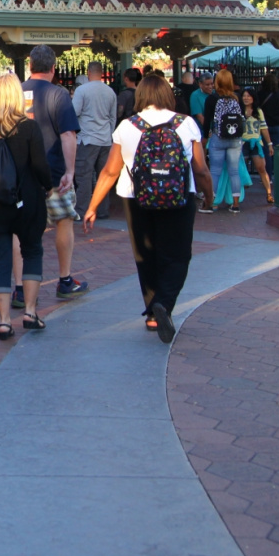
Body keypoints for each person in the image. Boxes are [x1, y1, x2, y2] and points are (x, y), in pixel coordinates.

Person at [82, 74, 213, 343]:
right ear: (167, 94)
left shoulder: (128, 126)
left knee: (146, 256)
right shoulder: (186, 124)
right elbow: (200, 169)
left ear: (140, 95)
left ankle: (153, 313)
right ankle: (164, 303)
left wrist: (92, 206)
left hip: (136, 199)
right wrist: (208, 196)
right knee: (177, 256)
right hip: (179, 198)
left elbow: (109, 171)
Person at [0, 72, 53, 339]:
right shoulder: (29, 127)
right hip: (26, 201)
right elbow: (40, 166)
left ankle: (4, 321)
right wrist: (48, 187)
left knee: (1, 258)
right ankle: (30, 312)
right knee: (32, 251)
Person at [23, 46, 87, 297]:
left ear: (30, 66)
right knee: (63, 220)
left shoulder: (13, 91)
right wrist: (70, 171)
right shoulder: (58, 94)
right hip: (53, 171)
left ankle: (20, 287)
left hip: (21, 173)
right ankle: (65, 279)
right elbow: (68, 134)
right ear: (53, 69)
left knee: (23, 230)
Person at [72, 62, 117, 220]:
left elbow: (74, 112)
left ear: (89, 72)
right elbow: (113, 117)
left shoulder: (81, 90)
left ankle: (81, 210)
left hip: (87, 139)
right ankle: (102, 210)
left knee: (83, 176)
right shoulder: (110, 92)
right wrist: (109, 136)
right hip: (105, 139)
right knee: (104, 175)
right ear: (102, 73)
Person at [205, 69, 247, 213]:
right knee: (234, 172)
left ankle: (211, 203)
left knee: (215, 171)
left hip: (218, 137)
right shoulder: (238, 98)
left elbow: (207, 121)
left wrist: (205, 136)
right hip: (235, 139)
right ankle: (236, 204)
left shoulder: (212, 98)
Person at [240, 88, 275, 203]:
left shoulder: (258, 111)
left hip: (256, 143)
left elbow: (264, 128)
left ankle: (269, 194)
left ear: (253, 98)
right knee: (240, 169)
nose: (246, 98)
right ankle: (238, 196)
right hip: (243, 143)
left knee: (261, 168)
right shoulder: (238, 110)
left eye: (248, 96)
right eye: (244, 96)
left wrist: (269, 144)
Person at [187, 72, 215, 136]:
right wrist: (208, 131)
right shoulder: (195, 95)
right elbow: (199, 116)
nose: (210, 86)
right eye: (207, 85)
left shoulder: (215, 93)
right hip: (201, 129)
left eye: (212, 84)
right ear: (200, 84)